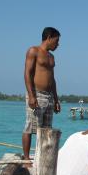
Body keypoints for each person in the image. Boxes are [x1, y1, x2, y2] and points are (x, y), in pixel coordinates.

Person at [22, 27, 61, 164]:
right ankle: (26, 159)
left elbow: (52, 79)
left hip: (49, 96)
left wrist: (56, 99)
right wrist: (31, 96)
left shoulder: (51, 56)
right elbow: (27, 73)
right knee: (30, 127)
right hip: (36, 94)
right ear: (49, 37)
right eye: (56, 41)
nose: (58, 44)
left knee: (46, 130)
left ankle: (41, 157)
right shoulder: (34, 51)